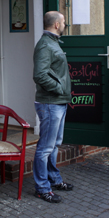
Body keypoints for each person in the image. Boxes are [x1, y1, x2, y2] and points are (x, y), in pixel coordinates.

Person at [32, 11, 74, 203]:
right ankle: (42, 188)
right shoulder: (45, 45)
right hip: (50, 102)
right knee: (45, 147)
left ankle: (54, 179)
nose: (65, 24)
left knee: (55, 144)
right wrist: (59, 88)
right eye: (64, 21)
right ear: (57, 24)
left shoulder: (54, 42)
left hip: (57, 102)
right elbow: (39, 74)